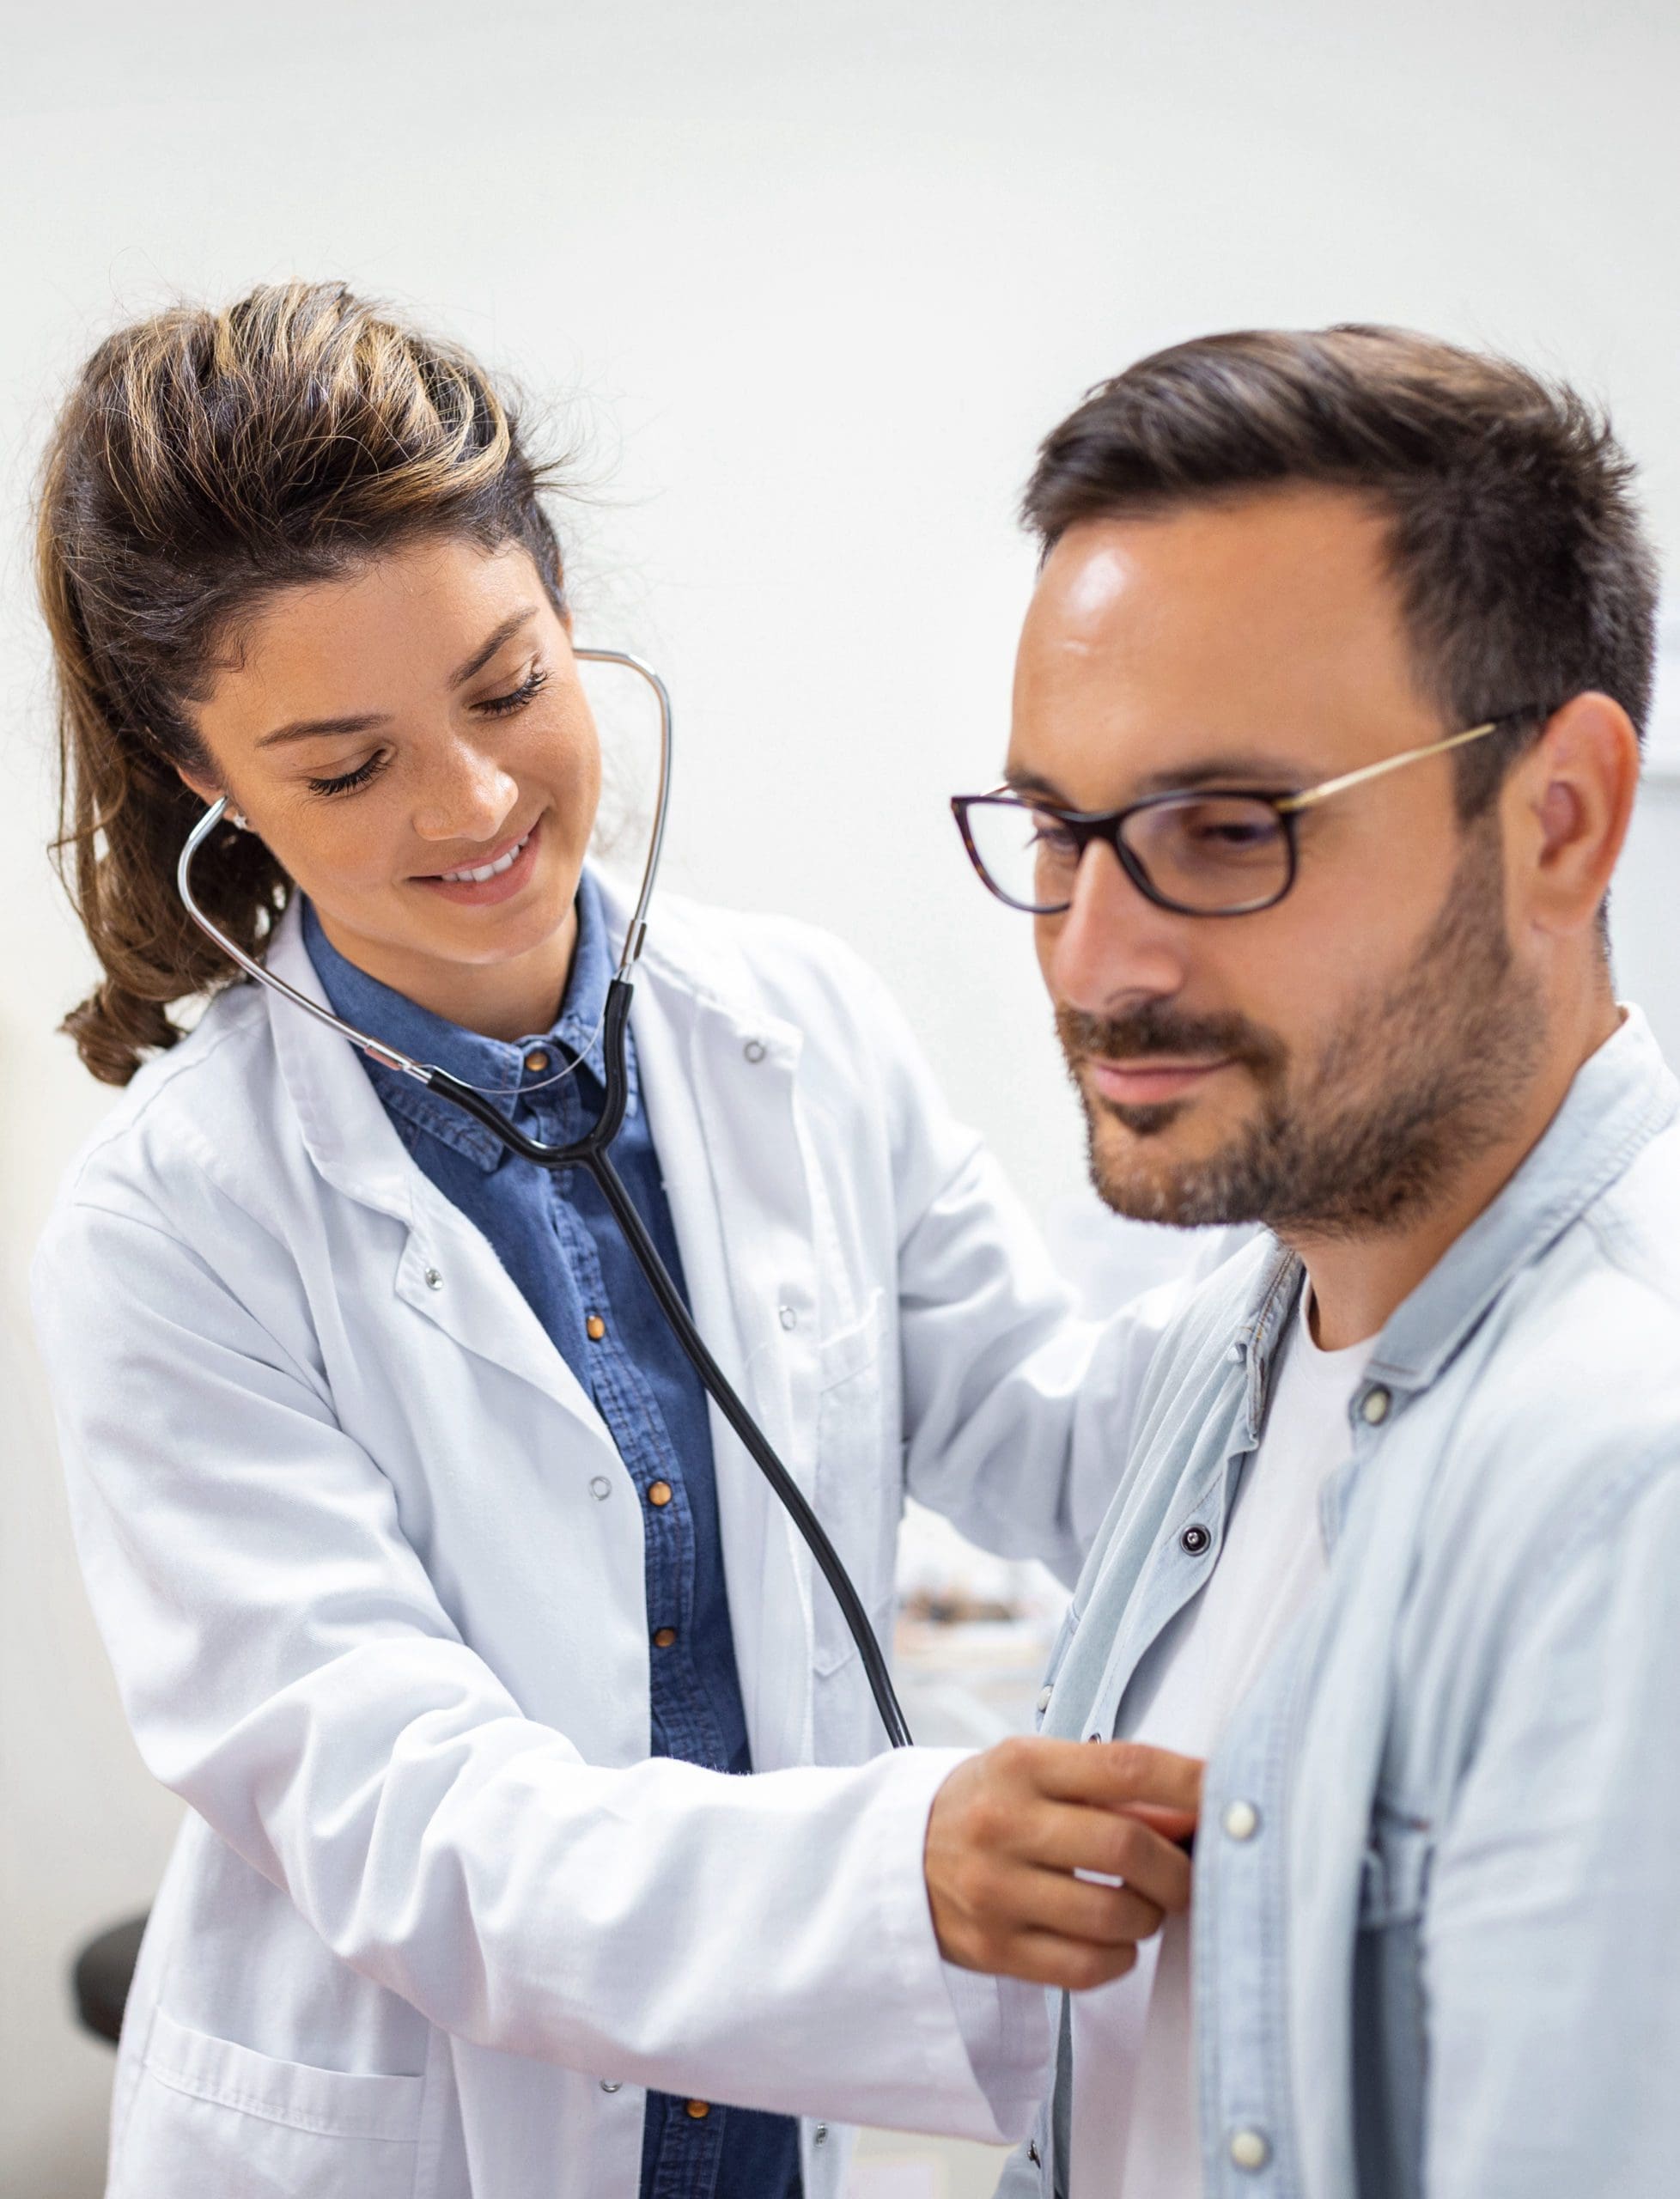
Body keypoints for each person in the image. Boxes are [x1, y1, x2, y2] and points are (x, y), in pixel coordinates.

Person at [28, 281, 1202, 2199]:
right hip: (421, 2135)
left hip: (762, 2119)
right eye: (345, 766)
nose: (476, 802)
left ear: (570, 617)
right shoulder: (175, 1227)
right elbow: (414, 1817)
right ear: (202, 778)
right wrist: (891, 1872)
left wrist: (1336, 1214)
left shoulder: (796, 1030)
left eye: (507, 685)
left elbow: (1073, 1436)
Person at [935, 325, 1677, 2197]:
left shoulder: (1628, 1480)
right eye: (1058, 828)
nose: (1098, 960)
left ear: (1560, 820)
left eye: (1228, 830)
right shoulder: (1238, 1338)